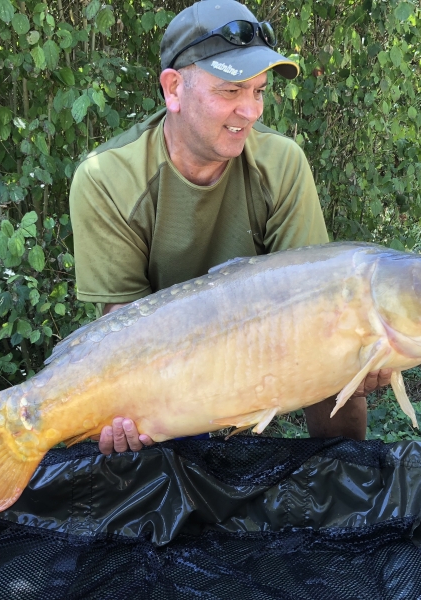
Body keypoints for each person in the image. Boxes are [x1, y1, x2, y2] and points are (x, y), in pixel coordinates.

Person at [69, 0, 391, 455]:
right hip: (161, 365)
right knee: (128, 439)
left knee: (341, 361)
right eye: (230, 92)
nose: (251, 111)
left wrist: (354, 360)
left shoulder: (281, 164)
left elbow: (318, 311)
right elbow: (123, 339)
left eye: (258, 91)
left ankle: (342, 475)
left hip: (264, 347)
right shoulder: (106, 178)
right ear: (174, 89)